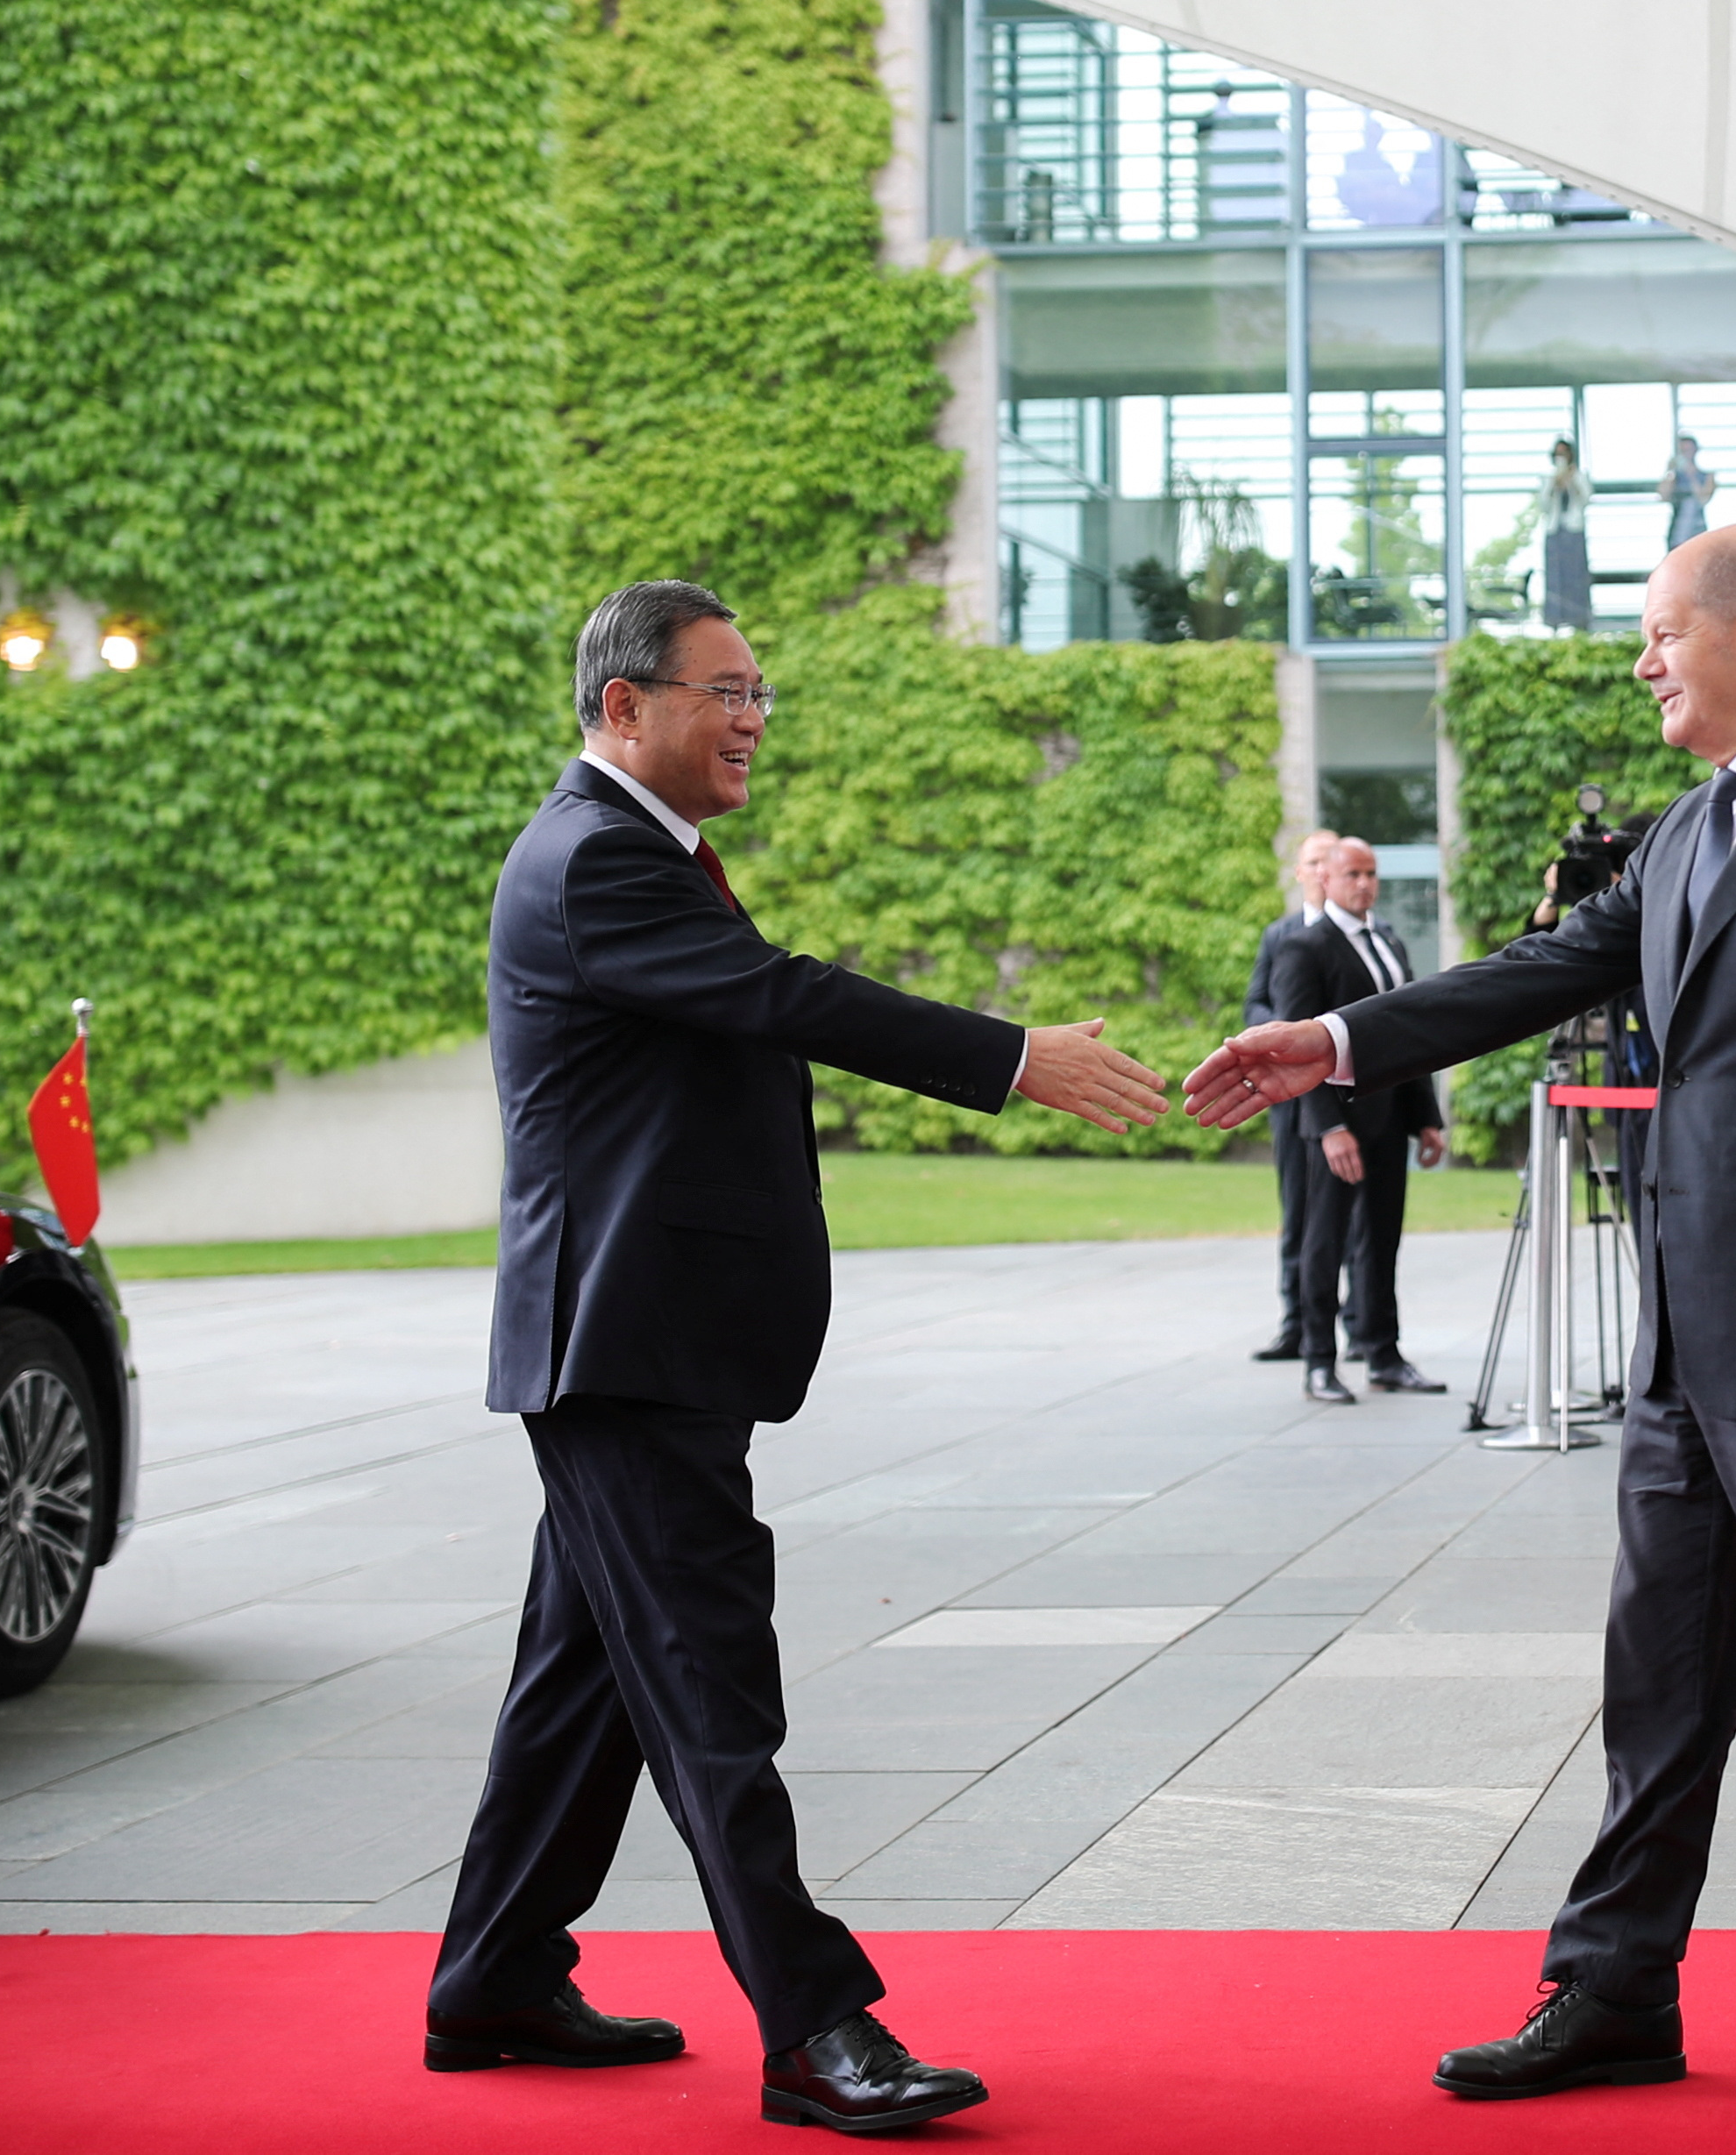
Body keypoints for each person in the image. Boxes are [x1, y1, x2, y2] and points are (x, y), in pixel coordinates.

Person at [1183, 523, 1736, 2137]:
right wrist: (1338, 1037)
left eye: (1659, 632)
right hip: (1684, 1341)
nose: (1642, 658)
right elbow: (1546, 966)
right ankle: (1620, 1983)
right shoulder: (1692, 828)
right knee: (1658, 1682)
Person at [430, 580, 1168, 2130]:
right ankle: (816, 2023)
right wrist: (1015, 1056)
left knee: (586, 1680)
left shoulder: (644, 855)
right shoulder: (591, 861)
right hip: (621, 1348)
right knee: (709, 1682)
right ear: (624, 705)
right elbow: (781, 1001)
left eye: (764, 692)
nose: (755, 718)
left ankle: (493, 1974)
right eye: (726, 690)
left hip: (646, 1340)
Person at [1269, 837, 1448, 1402]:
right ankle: (1319, 1361)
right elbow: (1294, 1049)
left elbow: (1411, 1031)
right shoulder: (1304, 948)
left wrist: (1426, 1118)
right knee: (1324, 1242)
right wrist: (1328, 1127)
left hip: (1389, 1117)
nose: (1364, 884)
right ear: (1326, 879)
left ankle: (1382, 1352)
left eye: (1371, 874)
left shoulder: (1387, 940)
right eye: (1353, 874)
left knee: (1381, 1240)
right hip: (1336, 1125)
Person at [1246, 829, 1343, 1361]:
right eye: (1312, 860)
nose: (1321, 869)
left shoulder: (1363, 937)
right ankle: (1295, 1323)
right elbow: (1254, 1003)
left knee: (1348, 1219)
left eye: (1330, 859)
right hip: (1291, 1098)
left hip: (1343, 1092)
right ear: (1302, 872)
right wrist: (1288, 1029)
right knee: (1297, 1209)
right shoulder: (1279, 935)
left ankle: (1352, 1322)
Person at [1538, 437, 1594, 631]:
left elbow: (1586, 498)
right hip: (1555, 530)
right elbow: (1543, 504)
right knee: (1555, 574)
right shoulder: (1548, 478)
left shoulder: (1579, 476)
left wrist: (1572, 481)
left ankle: (1578, 617)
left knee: (1575, 575)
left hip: (1573, 529)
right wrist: (1555, 483)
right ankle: (1555, 617)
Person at [1658, 434, 1715, 551]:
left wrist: (1691, 475)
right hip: (1677, 530)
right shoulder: (1674, 477)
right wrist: (1669, 472)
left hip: (1697, 528)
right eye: (1682, 451)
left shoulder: (1707, 477)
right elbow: (1663, 495)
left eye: (1688, 450)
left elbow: (1703, 499)